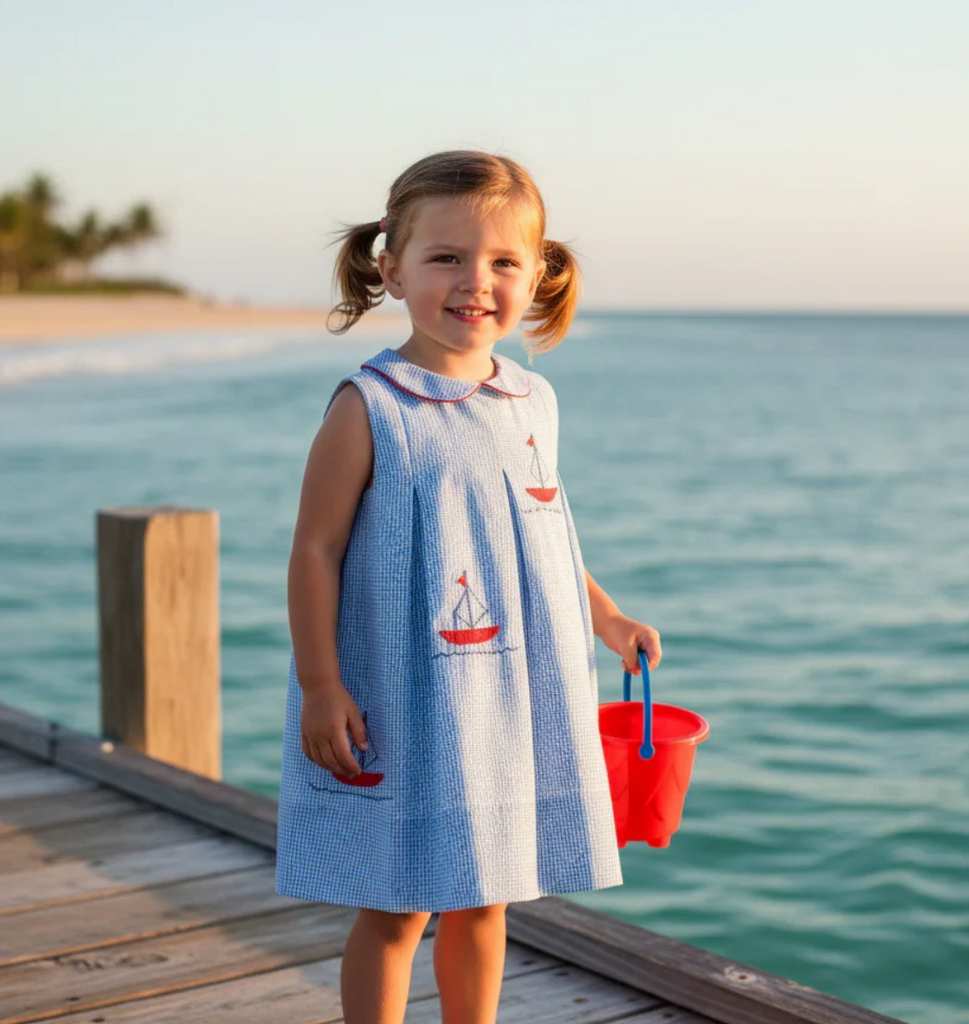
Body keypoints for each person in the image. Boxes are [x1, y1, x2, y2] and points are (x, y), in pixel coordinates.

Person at [274, 149, 663, 1024]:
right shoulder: (372, 404)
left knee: (490, 889)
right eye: (445, 257)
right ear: (392, 268)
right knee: (400, 897)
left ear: (537, 272)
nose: (473, 281)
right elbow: (315, 550)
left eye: (501, 262)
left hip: (510, 694)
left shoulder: (533, 398)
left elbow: (544, 530)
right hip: (409, 694)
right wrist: (322, 684)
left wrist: (607, 616)